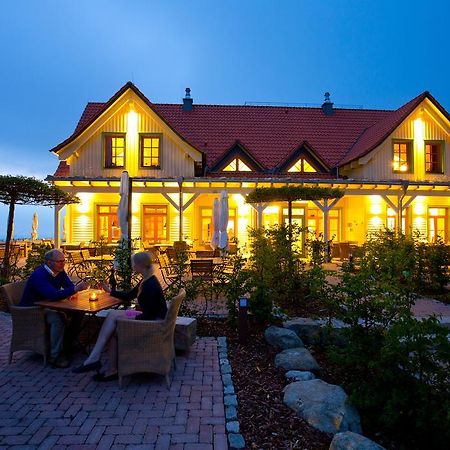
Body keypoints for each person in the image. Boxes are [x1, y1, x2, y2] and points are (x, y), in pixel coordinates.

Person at [72, 251, 167, 381]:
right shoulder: (146, 279)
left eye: (134, 264)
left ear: (140, 265)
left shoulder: (150, 285)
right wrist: (110, 291)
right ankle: (95, 357)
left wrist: (126, 319)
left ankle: (103, 364)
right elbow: (129, 296)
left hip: (153, 324)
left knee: (115, 326)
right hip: (149, 317)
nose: (132, 266)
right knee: (112, 314)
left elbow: (150, 315)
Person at [20, 249, 88, 368]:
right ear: (49, 262)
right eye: (59, 261)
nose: (62, 264)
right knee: (57, 318)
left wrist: (72, 290)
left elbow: (69, 286)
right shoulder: (39, 275)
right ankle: (55, 356)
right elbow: (52, 294)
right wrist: (75, 290)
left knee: (78, 312)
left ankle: (67, 344)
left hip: (48, 305)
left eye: (64, 261)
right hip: (32, 310)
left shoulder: (59, 271)